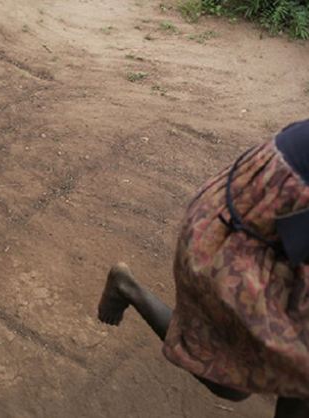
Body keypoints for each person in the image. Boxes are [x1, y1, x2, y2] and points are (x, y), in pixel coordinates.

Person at [98, 119, 309, 417]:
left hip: (276, 223)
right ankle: (128, 288)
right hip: (242, 228)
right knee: (233, 381)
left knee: (291, 373)